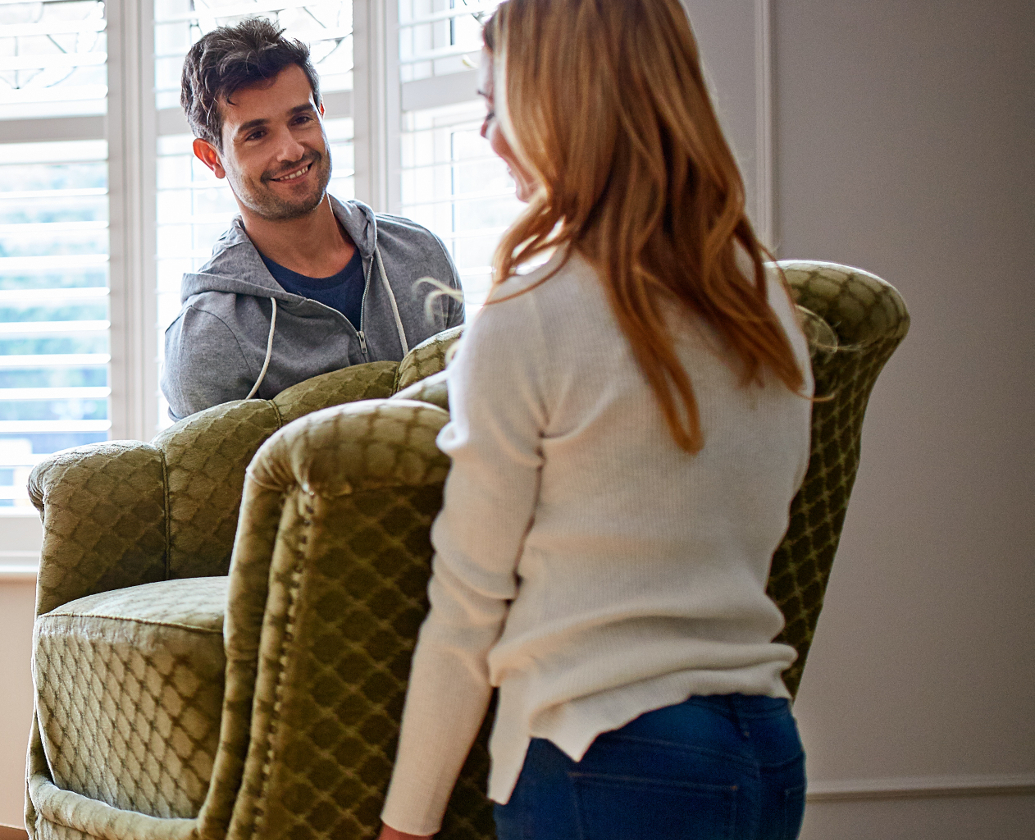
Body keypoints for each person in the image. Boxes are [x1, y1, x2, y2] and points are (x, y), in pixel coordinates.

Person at [376, 1, 814, 839]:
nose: (487, 135)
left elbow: (469, 605)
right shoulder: (764, 303)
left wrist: (407, 824)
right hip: (765, 750)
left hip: (605, 759)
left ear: (559, 104)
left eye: (495, 104)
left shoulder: (531, 311)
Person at [164, 18, 463, 420]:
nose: (290, 150)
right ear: (212, 157)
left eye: (301, 119)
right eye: (256, 135)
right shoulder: (209, 337)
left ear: (321, 115)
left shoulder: (420, 255)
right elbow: (210, 484)